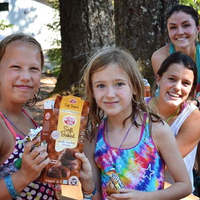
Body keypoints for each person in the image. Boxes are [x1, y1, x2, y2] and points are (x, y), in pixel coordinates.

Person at [83, 47, 192, 200]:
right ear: (93, 92)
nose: (110, 94)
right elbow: (95, 196)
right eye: (101, 86)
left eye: (119, 84)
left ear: (134, 87)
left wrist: (144, 197)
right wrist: (87, 187)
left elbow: (185, 185)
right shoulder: (93, 137)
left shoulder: (156, 129)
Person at [0, 33, 95, 200]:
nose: (26, 76)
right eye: (16, 67)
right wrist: (23, 176)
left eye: (34, 69)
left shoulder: (27, 116)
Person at [151, 4, 200, 196]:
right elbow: (171, 90)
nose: (179, 32)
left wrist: (195, 104)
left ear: (197, 28)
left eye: (185, 25)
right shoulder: (160, 56)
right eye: (173, 27)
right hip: (172, 107)